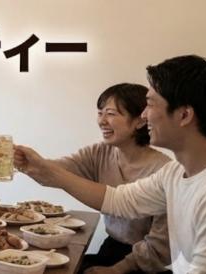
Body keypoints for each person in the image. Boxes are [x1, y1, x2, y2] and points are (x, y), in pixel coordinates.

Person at [16, 55, 206, 274]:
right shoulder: (174, 173)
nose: (144, 115)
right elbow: (119, 200)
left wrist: (117, 270)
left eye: (150, 104)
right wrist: (40, 167)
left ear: (184, 115)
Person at [54, 83, 171, 274]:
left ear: (140, 121)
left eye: (110, 113)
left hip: (145, 263)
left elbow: (160, 246)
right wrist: (21, 159)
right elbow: (57, 169)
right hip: (111, 247)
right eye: (100, 113)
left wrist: (116, 270)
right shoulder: (100, 152)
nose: (101, 121)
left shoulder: (164, 170)